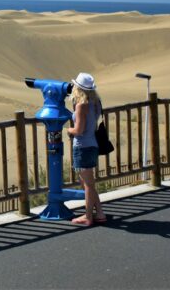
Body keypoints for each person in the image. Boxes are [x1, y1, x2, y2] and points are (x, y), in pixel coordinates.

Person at [66, 72, 107, 225]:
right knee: (87, 183)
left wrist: (68, 131)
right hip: (92, 145)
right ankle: (100, 213)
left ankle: (88, 216)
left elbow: (79, 130)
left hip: (82, 146)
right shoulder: (96, 102)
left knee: (88, 184)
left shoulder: (82, 105)